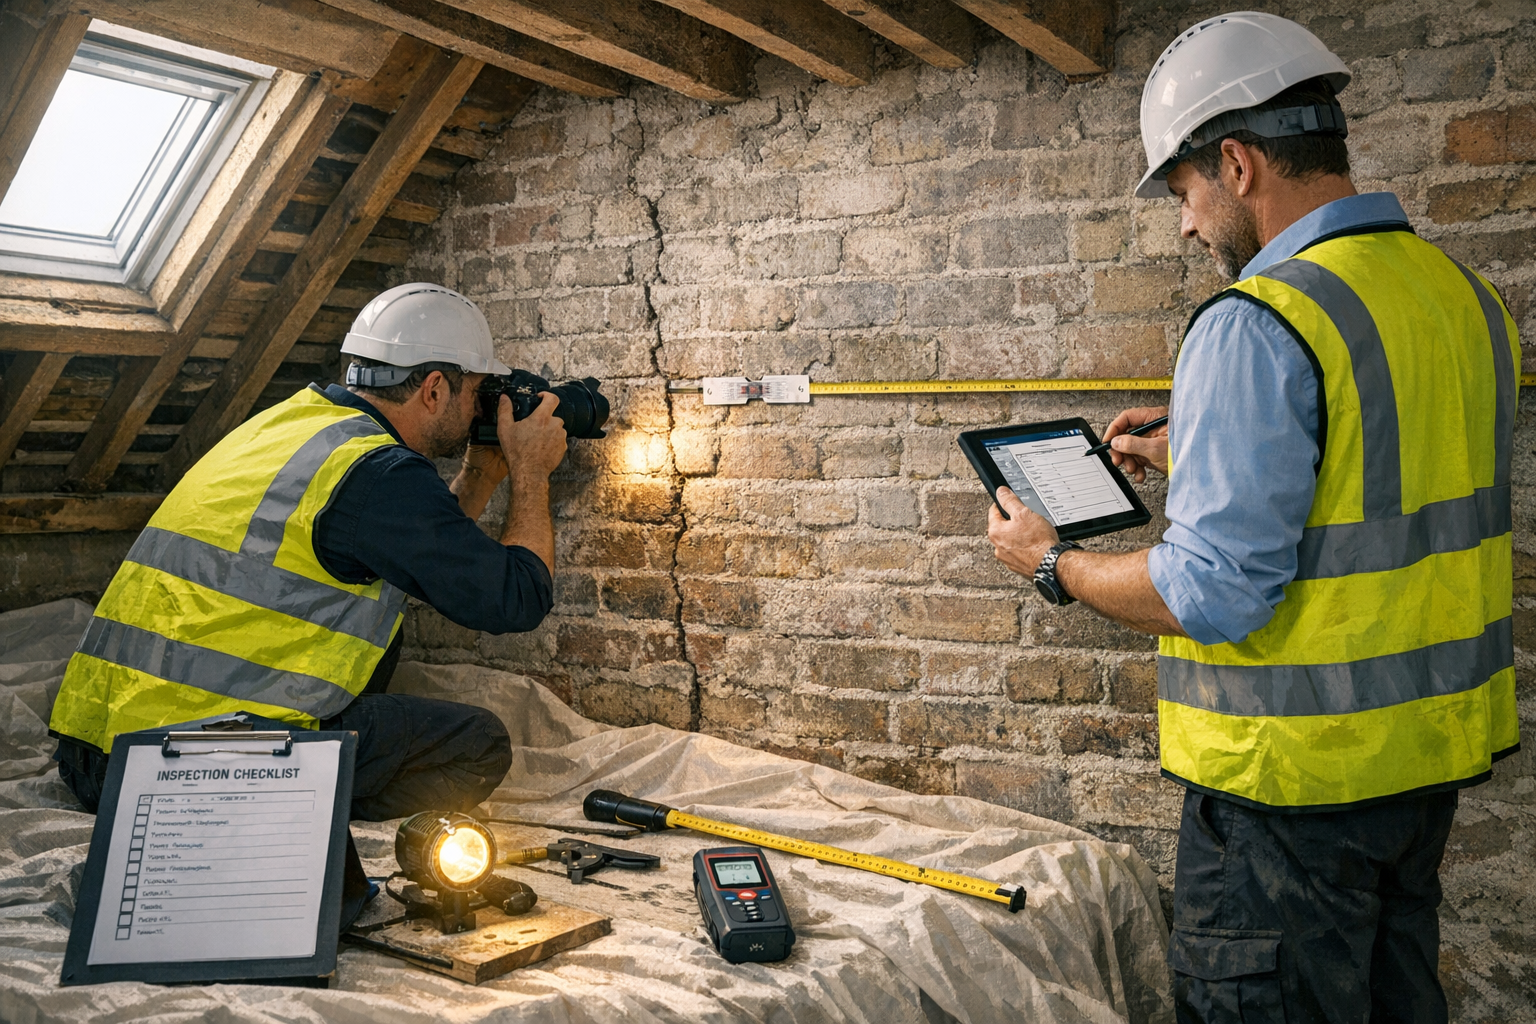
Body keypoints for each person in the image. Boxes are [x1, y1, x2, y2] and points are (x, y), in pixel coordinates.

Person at [986, 13, 1519, 1023]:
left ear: (1234, 163)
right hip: (1421, 776)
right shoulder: (1462, 299)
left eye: (1183, 192)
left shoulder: (1259, 319)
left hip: (1289, 794)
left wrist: (1052, 563)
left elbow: (1209, 589)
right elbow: (1379, 476)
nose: (1187, 224)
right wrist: (1194, 448)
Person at [49, 282, 567, 850]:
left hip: (93, 755)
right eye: (475, 393)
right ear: (435, 389)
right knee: (478, 744)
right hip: (189, 773)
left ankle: (300, 784)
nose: (478, 409)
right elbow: (516, 598)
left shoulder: (290, 427)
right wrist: (532, 470)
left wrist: (484, 474)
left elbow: (421, 554)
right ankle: (293, 804)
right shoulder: (381, 474)